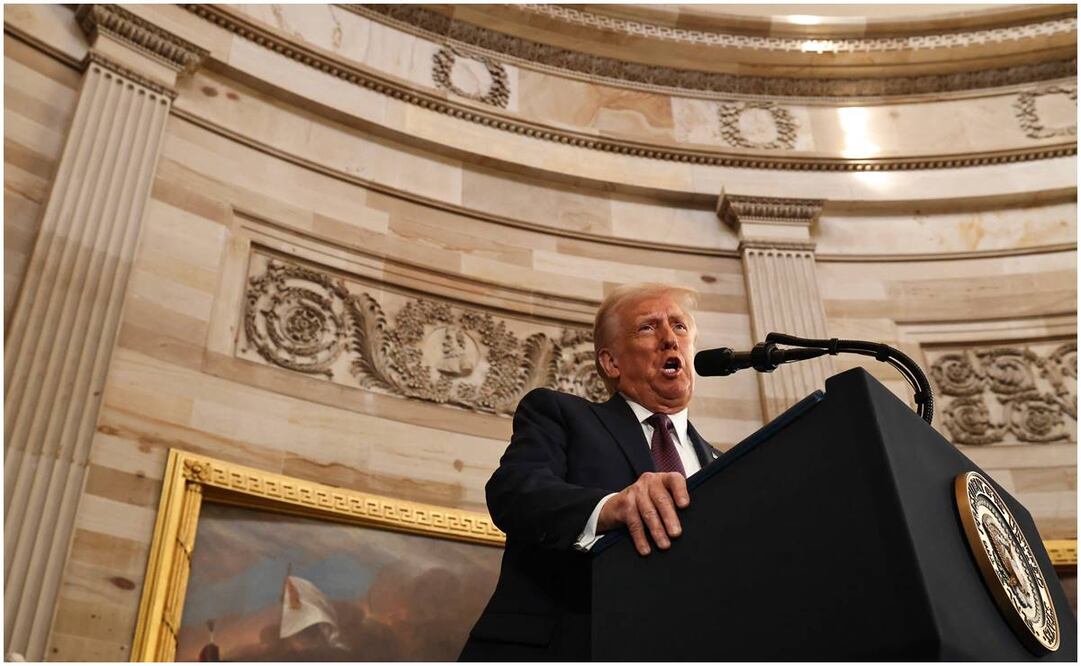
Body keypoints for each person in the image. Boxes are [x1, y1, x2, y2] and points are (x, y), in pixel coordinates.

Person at [459, 283, 719, 661]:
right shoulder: (562, 415)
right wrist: (611, 508)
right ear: (611, 362)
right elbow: (515, 491)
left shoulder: (721, 462)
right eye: (648, 327)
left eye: (679, 327)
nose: (669, 339)